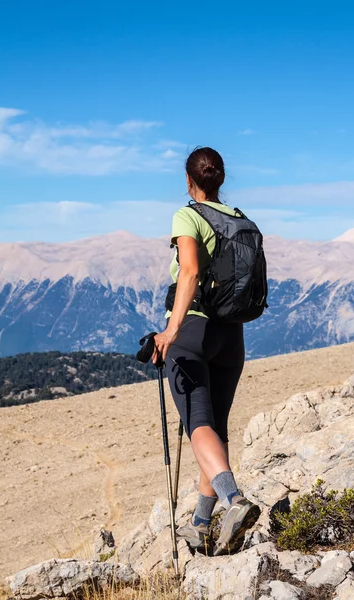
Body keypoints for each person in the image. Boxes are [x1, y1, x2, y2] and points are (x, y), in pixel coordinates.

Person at [152, 146, 259, 556]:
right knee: (215, 429)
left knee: (198, 423)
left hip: (194, 331)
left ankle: (234, 501)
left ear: (188, 180)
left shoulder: (188, 216)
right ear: (221, 179)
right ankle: (200, 525)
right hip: (231, 337)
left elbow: (191, 270)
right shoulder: (240, 219)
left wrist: (170, 330)